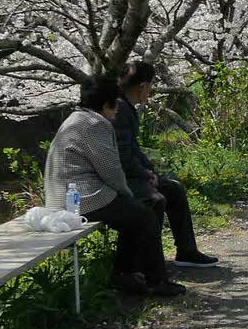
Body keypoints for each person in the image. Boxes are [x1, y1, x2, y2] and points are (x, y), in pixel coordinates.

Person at [44, 77, 185, 296]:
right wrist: (127, 193)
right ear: (105, 105)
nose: (117, 111)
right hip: (83, 199)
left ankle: (126, 274)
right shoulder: (96, 124)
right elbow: (111, 170)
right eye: (115, 105)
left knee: (140, 212)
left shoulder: (75, 119)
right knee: (144, 216)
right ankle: (155, 280)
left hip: (62, 197)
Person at [114, 61, 218, 267]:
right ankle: (150, 264)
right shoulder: (119, 109)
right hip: (120, 180)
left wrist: (149, 171)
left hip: (132, 175)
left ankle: (186, 251)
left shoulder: (125, 107)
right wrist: (146, 175)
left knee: (174, 189)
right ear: (142, 86)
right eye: (151, 85)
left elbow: (133, 150)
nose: (151, 90)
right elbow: (122, 156)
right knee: (156, 198)